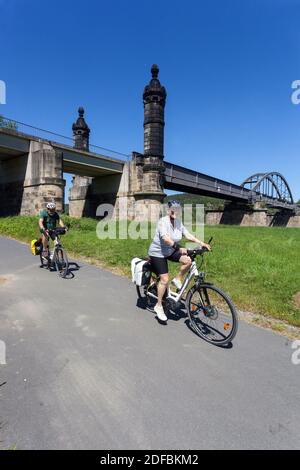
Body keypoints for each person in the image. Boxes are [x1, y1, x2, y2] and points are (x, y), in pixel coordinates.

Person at [148, 200, 211, 322]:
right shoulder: (163, 222)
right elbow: (165, 238)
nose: (175, 211)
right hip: (158, 253)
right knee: (165, 279)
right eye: (173, 209)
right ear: (168, 210)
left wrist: (202, 243)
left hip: (169, 251)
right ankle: (159, 305)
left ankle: (177, 279)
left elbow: (188, 235)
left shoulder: (178, 222)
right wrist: (178, 247)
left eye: (177, 209)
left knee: (188, 260)